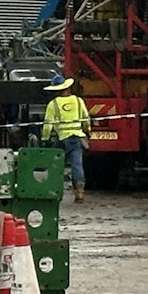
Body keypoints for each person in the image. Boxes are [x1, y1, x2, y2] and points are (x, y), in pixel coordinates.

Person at [40, 75, 93, 203]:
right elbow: (86, 119)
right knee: (77, 165)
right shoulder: (78, 101)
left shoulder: (53, 104)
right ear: (67, 88)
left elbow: (48, 125)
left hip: (62, 139)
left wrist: (45, 139)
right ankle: (80, 193)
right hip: (77, 138)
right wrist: (88, 132)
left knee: (55, 165)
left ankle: (54, 192)